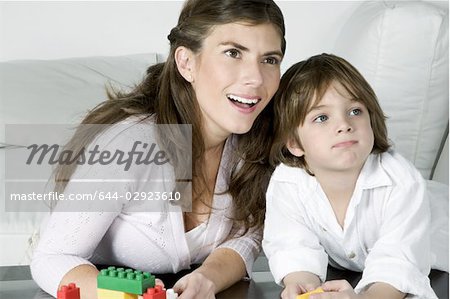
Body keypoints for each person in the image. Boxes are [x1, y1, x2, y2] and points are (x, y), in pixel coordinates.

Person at [30, 1, 286, 298]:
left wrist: (207, 278)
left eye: (269, 60)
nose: (255, 78)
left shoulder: (255, 142)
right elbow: (53, 257)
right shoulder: (131, 145)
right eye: (233, 53)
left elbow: (246, 236)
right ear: (186, 63)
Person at [263, 53, 440, 299]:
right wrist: (301, 285)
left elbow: (398, 264)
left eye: (355, 111)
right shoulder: (288, 182)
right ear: (294, 143)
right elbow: (291, 244)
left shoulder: (401, 183)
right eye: (322, 117)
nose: (344, 124)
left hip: (436, 247)